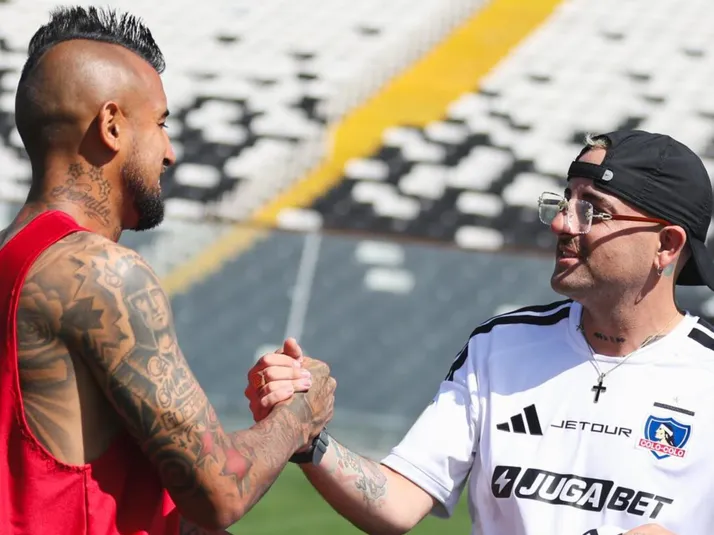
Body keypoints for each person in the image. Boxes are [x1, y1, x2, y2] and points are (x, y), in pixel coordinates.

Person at [245, 129, 714, 535]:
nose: (560, 222)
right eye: (565, 201)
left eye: (592, 209)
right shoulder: (502, 344)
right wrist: (309, 438)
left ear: (667, 245)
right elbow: (399, 500)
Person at [0, 6, 336, 535]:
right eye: (159, 123)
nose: (170, 153)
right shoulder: (102, 274)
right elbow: (219, 492)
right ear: (112, 125)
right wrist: (300, 413)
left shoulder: (13, 258)